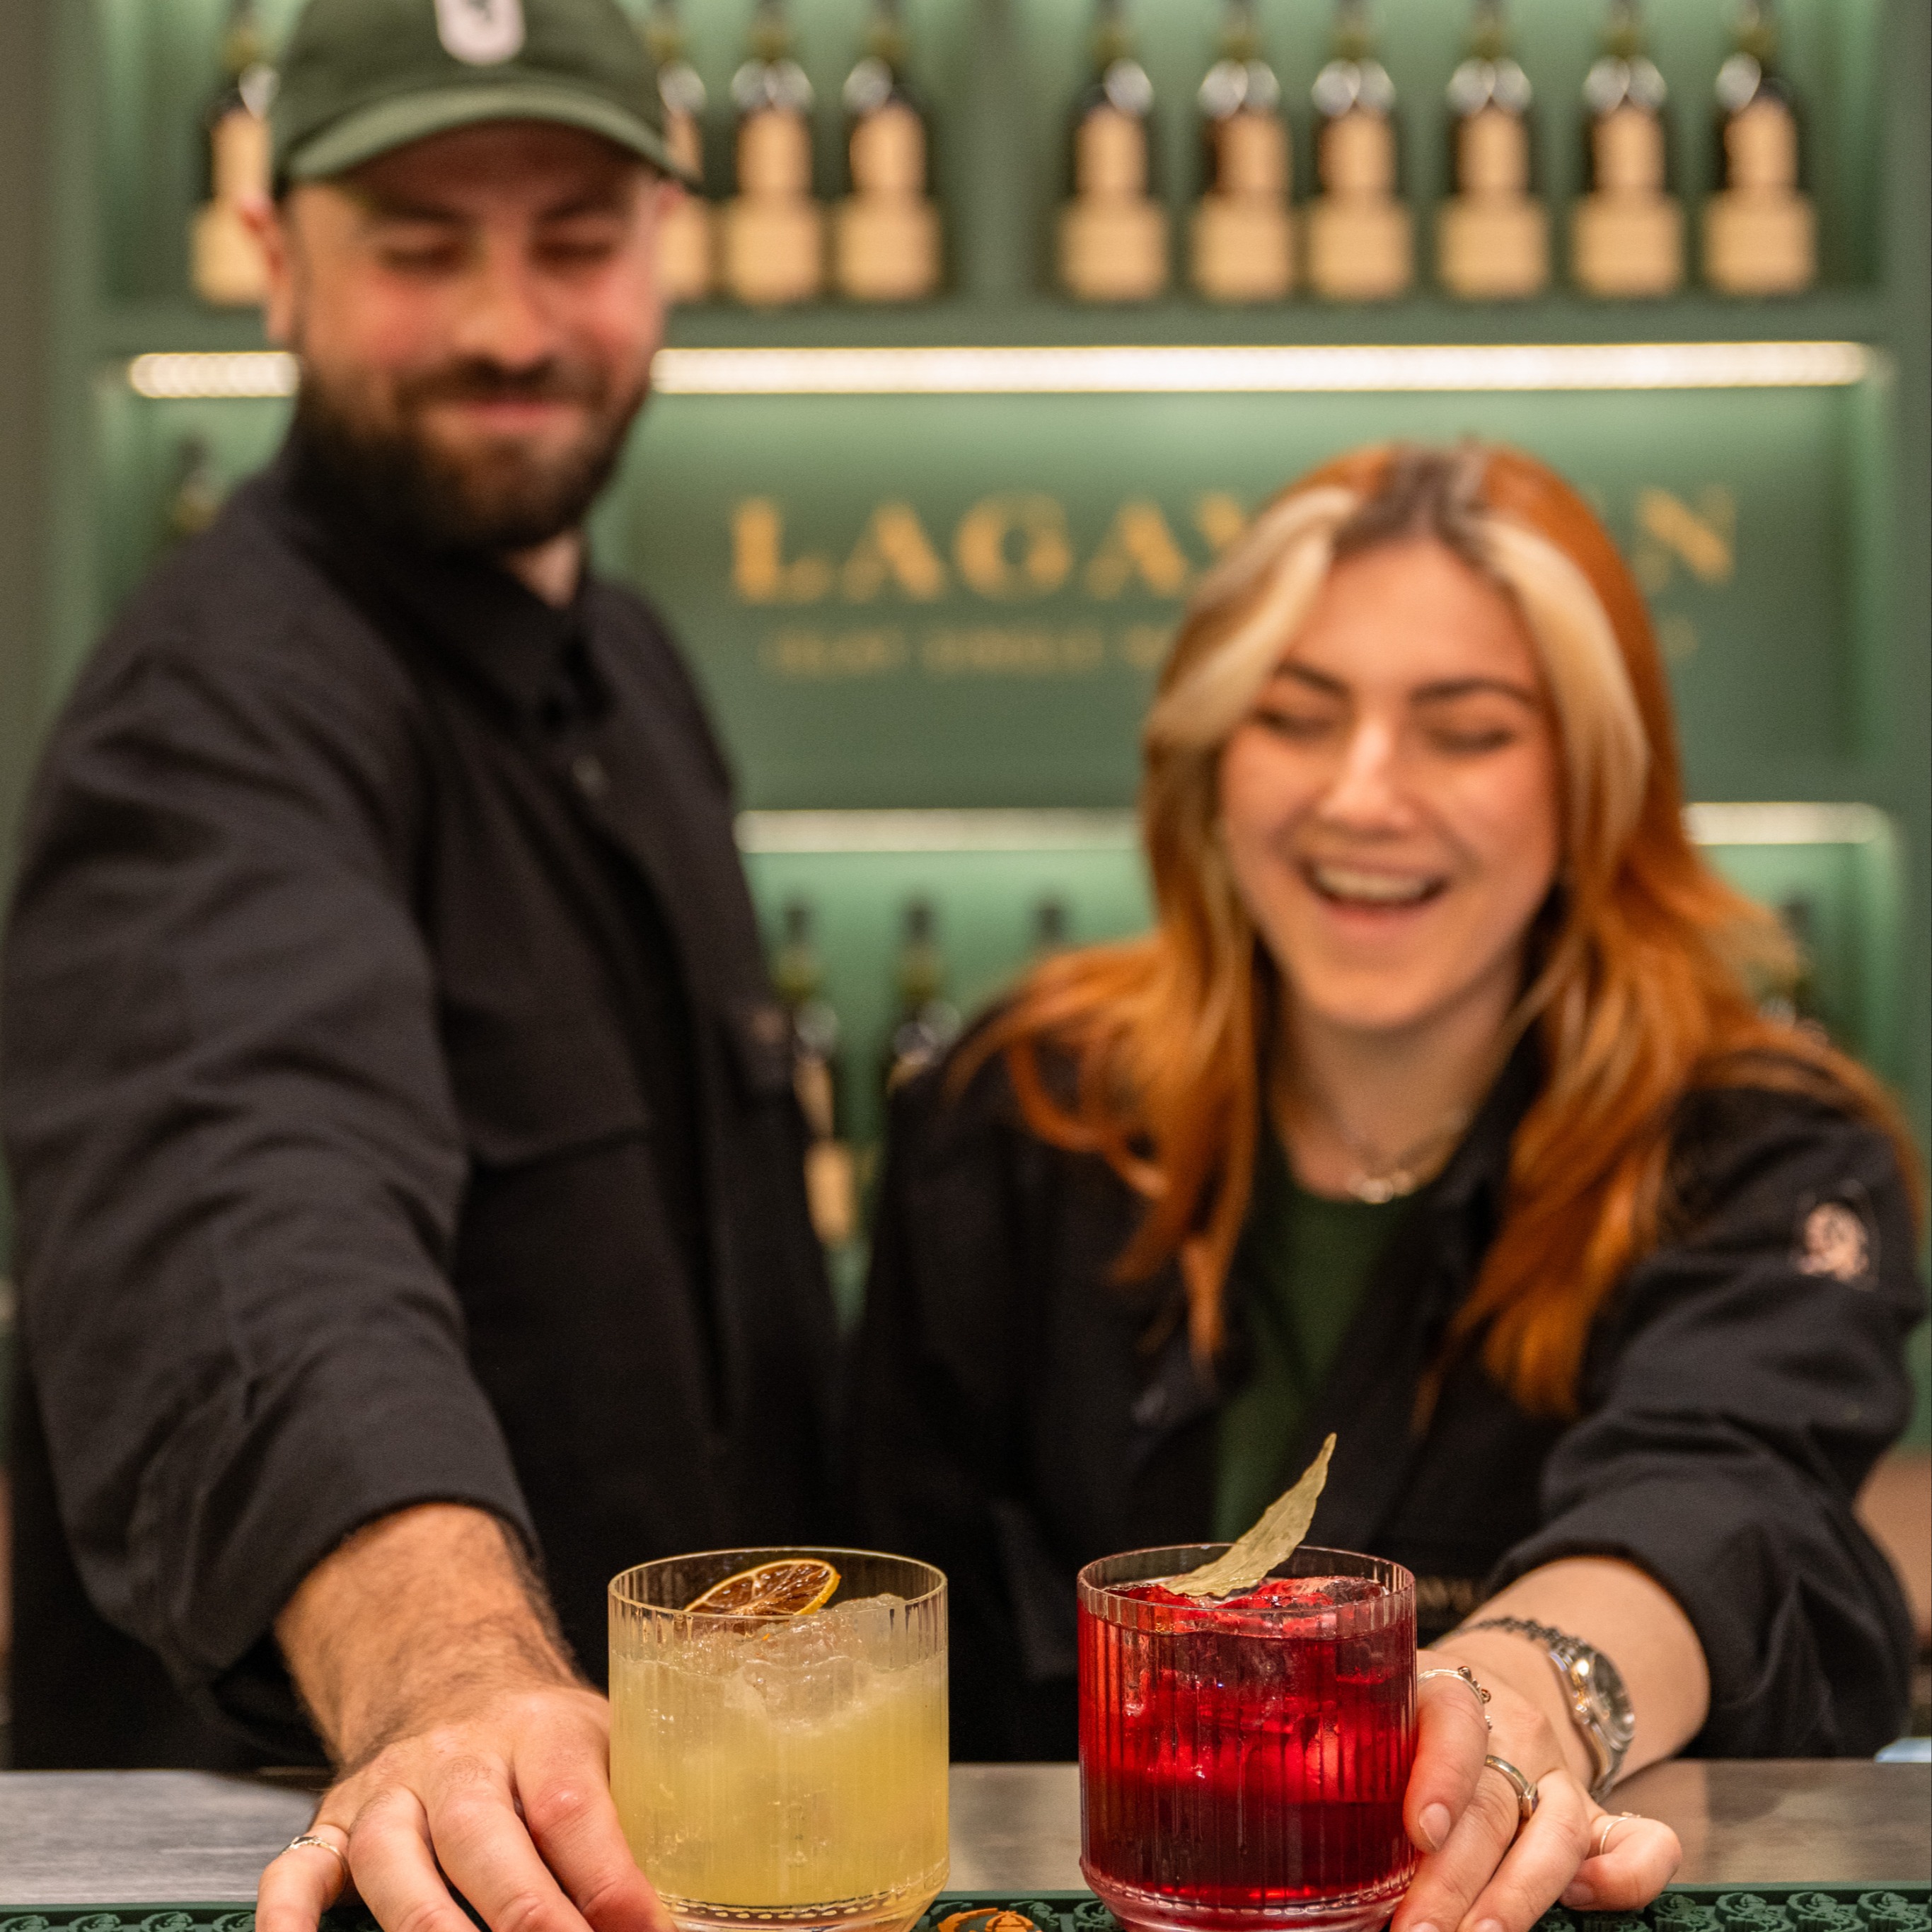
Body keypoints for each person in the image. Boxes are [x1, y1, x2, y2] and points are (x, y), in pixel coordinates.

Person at [1, 0, 833, 1926]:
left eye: (571, 239)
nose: (509, 325)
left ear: (661, 250)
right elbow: (248, 1199)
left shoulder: (632, 671)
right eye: (420, 245)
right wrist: (451, 1680)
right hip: (364, 1875)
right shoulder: (210, 713)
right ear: (274, 258)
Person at [849, 444, 1926, 1929]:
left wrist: (1522, 1698)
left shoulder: (1755, 1146)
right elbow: (904, 1614)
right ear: (1210, 764)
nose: (1364, 795)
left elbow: (1726, 1489)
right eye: (1295, 718)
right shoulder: (1018, 1108)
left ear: (1590, 782)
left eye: (1465, 732)